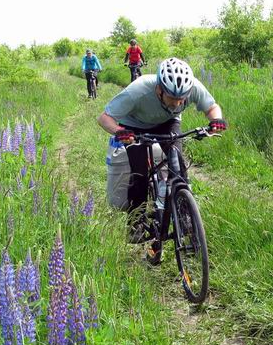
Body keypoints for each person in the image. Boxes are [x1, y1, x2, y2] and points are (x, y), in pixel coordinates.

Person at [97, 57, 227, 262]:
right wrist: (120, 132)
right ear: (159, 89)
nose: (177, 103)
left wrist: (216, 120)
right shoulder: (138, 90)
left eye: (181, 99)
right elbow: (104, 118)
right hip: (135, 127)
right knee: (139, 173)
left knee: (178, 167)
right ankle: (136, 222)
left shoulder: (192, 88)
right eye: (171, 98)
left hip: (168, 123)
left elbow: (212, 107)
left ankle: (185, 218)